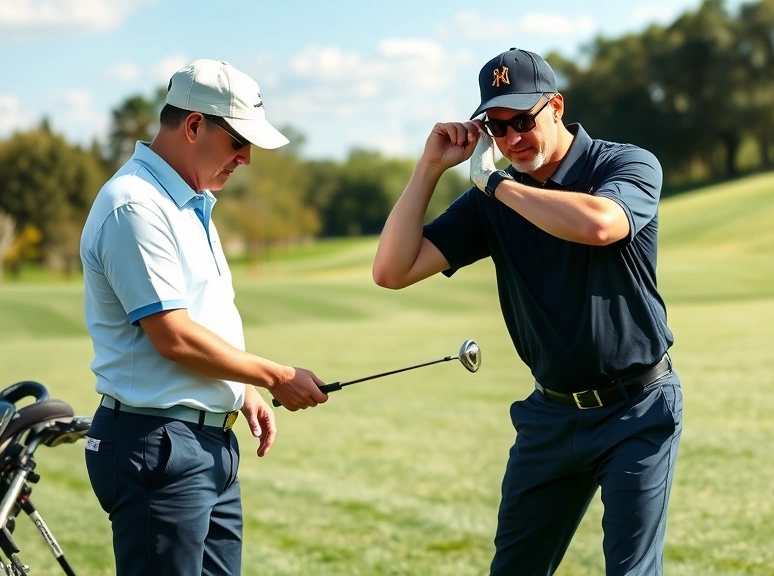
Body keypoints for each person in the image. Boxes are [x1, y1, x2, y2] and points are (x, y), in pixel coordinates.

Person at [373, 47, 682, 576]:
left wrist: (495, 182)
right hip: (550, 417)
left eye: (522, 121)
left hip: (636, 408)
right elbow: (392, 270)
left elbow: (601, 225)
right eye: (495, 127)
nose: (511, 139)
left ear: (556, 106)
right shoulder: (493, 201)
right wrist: (428, 168)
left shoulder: (625, 163)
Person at [80, 59, 330, 575]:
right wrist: (276, 375)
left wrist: (242, 391)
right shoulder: (135, 206)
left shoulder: (192, 201)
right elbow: (172, 335)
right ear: (194, 126)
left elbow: (203, 319)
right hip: (158, 447)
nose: (247, 158)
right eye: (239, 142)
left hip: (206, 445)